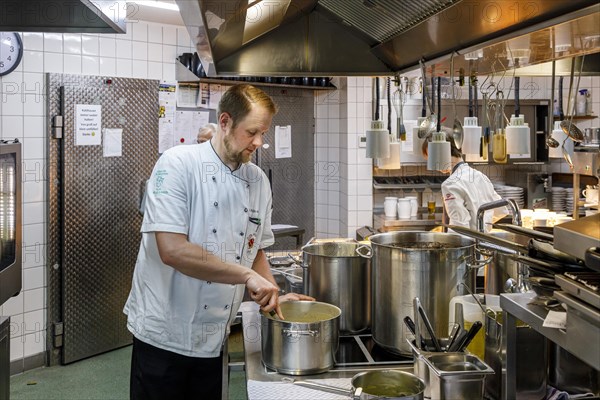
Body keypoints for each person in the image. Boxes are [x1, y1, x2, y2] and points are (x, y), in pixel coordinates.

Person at [124, 84, 313, 399]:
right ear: (225, 122)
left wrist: (272, 297)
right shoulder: (176, 165)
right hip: (165, 333)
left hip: (214, 336)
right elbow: (172, 250)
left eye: (263, 132)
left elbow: (253, 250)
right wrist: (246, 277)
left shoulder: (257, 181)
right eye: (252, 132)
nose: (259, 142)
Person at [422, 132, 504, 233]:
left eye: (431, 157)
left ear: (440, 152)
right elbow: (501, 210)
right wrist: (481, 228)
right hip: (484, 242)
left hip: (466, 245)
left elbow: (458, 228)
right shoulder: (480, 176)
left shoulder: (450, 184)